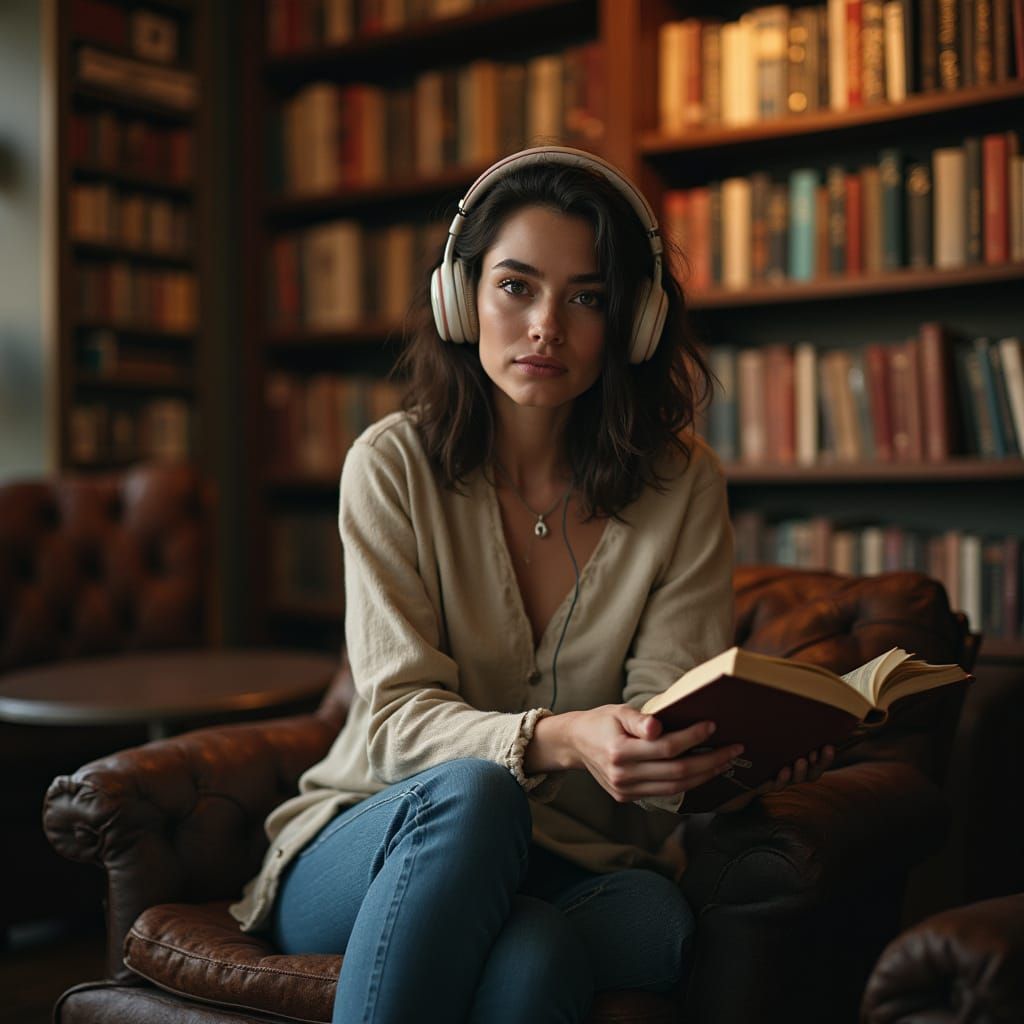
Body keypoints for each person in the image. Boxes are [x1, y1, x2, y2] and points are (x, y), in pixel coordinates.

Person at [230, 146, 833, 1023]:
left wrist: (736, 753)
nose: (547, 325)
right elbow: (397, 726)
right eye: (516, 286)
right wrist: (559, 736)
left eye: (587, 297)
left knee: (557, 948)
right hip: (379, 838)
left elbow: (659, 726)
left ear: (632, 320)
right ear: (461, 296)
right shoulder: (391, 466)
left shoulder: (682, 484)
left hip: (578, 868)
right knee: (480, 797)